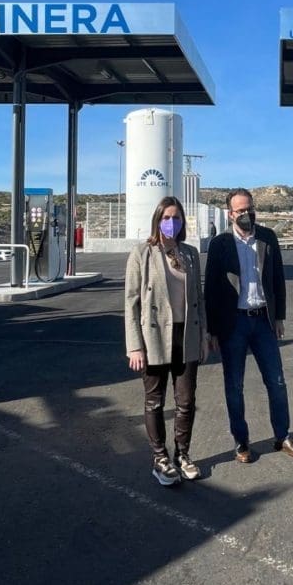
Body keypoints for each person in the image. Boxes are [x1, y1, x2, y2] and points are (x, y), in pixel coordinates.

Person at [204, 188, 293, 464]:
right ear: (230, 214)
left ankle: (283, 436)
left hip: (263, 321)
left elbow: (278, 280)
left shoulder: (267, 238)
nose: (246, 214)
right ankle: (241, 442)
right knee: (234, 386)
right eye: (240, 210)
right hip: (233, 324)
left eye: (249, 208)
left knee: (277, 382)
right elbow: (211, 289)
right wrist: (211, 330)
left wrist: (279, 317)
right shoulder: (220, 244)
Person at [124, 196, 207, 486]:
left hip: (187, 335)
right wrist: (135, 346)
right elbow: (131, 302)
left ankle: (182, 455)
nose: (172, 222)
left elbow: (199, 298)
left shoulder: (190, 254)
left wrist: (204, 336)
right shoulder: (142, 253)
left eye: (176, 217)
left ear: (183, 221)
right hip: (155, 336)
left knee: (186, 401)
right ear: (157, 220)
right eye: (166, 217)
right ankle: (160, 458)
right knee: (154, 401)